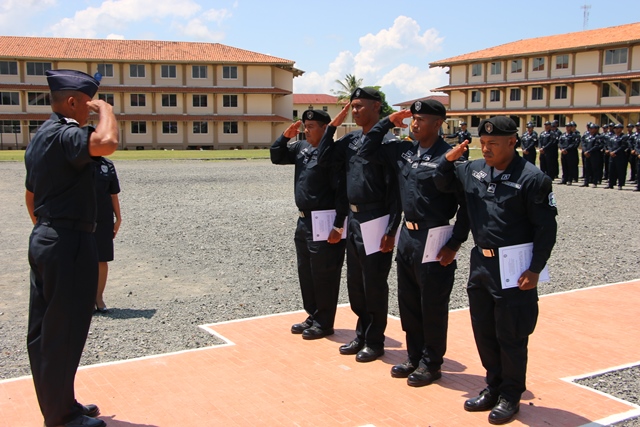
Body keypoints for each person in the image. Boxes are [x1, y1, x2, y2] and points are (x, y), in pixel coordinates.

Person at [434, 116, 558, 425]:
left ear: (512, 142)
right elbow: (442, 183)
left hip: (514, 267)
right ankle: (493, 386)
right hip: (481, 264)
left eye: (493, 144)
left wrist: (535, 269)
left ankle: (511, 395)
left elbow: (546, 229)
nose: (486, 149)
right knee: (484, 331)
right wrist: (446, 161)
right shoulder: (474, 169)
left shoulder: (532, 178)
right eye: (483, 143)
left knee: (511, 334)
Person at [25, 69, 118, 427]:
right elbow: (106, 142)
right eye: (88, 102)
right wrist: (106, 111)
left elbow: (31, 194)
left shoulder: (41, 136)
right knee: (65, 330)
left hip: (48, 236)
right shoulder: (65, 134)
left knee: (45, 333)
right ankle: (61, 418)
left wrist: (47, 229)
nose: (92, 108)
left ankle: (60, 406)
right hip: (68, 241)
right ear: (72, 101)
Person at [356, 99, 469, 387]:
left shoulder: (450, 156)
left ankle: (431, 363)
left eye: (422, 120)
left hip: (435, 236)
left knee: (431, 303)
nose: (415, 124)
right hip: (407, 235)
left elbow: (467, 206)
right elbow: (367, 149)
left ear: (438, 124)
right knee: (408, 301)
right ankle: (414, 355)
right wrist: (387, 122)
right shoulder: (404, 151)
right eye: (413, 119)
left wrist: (455, 243)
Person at [318, 87, 401, 362]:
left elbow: (396, 192)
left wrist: (391, 229)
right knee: (355, 283)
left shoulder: (388, 143)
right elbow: (324, 158)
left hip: (376, 218)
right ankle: (362, 334)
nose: (354, 111)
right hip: (354, 219)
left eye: (359, 106)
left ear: (376, 107)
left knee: (373, 282)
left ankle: (375, 341)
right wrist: (333, 126)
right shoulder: (351, 140)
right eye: (352, 107)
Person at [270, 110, 347, 339]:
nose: (306, 130)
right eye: (305, 125)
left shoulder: (333, 153)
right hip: (303, 221)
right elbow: (277, 156)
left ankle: (325, 322)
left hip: (324, 221)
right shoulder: (301, 148)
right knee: (307, 273)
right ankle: (313, 315)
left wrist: (339, 225)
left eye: (311, 126)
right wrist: (285, 136)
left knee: (324, 274)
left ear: (325, 128)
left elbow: (342, 192)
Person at [94, 157, 122, 313]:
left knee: (102, 258)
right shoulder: (78, 160)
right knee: (80, 259)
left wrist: (118, 218)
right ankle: (84, 298)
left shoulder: (107, 165)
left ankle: (98, 297)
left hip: (103, 218)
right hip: (81, 218)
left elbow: (113, 194)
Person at [605, 123, 629, 190]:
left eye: (617, 128)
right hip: (612, 156)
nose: (616, 129)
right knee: (611, 170)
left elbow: (623, 146)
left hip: (620, 156)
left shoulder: (624, 137)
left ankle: (620, 184)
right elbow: (609, 145)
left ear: (621, 129)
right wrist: (610, 151)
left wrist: (615, 152)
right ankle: (611, 184)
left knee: (620, 170)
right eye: (615, 128)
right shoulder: (612, 137)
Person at [581, 123, 605, 187]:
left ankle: (595, 182)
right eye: (590, 128)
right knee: (587, 168)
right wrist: (585, 151)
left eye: (592, 128)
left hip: (594, 154)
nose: (591, 130)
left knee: (595, 168)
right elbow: (583, 143)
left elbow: (598, 145)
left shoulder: (598, 137)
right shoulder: (587, 136)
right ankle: (586, 182)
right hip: (587, 154)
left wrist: (589, 151)